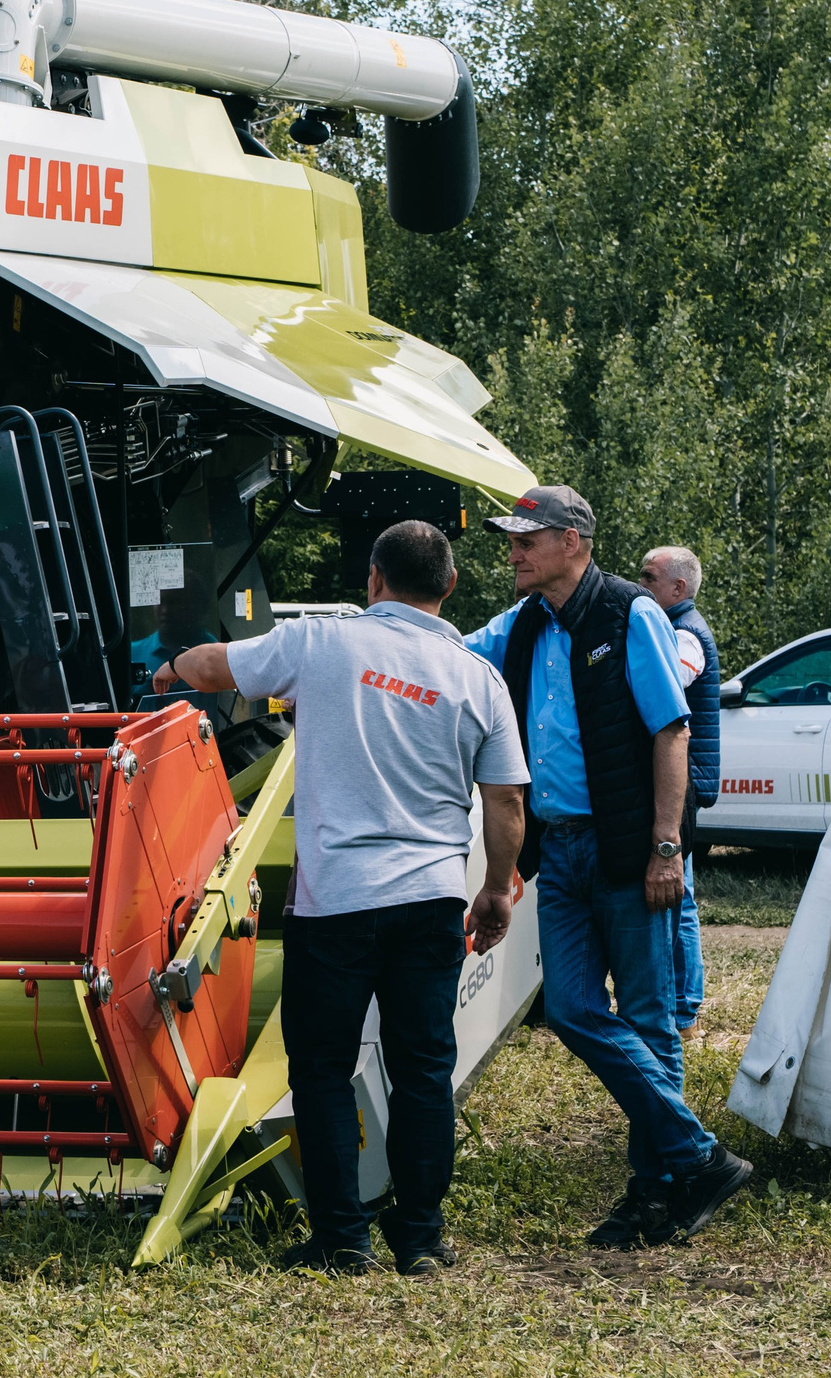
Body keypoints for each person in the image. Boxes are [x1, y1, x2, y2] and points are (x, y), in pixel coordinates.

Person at [153, 520, 527, 1275]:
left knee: (320, 1068)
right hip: (429, 902)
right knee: (423, 1068)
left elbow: (215, 667)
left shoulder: (322, 643)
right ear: (449, 587)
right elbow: (507, 804)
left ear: (374, 580)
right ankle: (420, 1238)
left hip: (337, 905)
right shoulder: (477, 677)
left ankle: (341, 1238)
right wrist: (493, 891)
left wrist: (169, 671)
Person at [463, 487, 753, 1248]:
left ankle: (651, 1195)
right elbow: (449, 655)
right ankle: (696, 1157)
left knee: (651, 1019)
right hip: (557, 850)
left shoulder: (633, 613)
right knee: (572, 1010)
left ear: (572, 542)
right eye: (513, 539)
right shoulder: (519, 625)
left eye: (527, 538)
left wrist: (667, 847)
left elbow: (670, 734)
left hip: (629, 848)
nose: (514, 551)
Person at [640, 545, 717, 1040]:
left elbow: (672, 678)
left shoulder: (685, 635)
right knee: (680, 896)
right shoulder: (681, 626)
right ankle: (683, 1006)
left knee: (679, 900)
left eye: (648, 578)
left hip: (684, 783)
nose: (639, 585)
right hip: (685, 780)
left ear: (678, 590)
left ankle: (684, 1011)